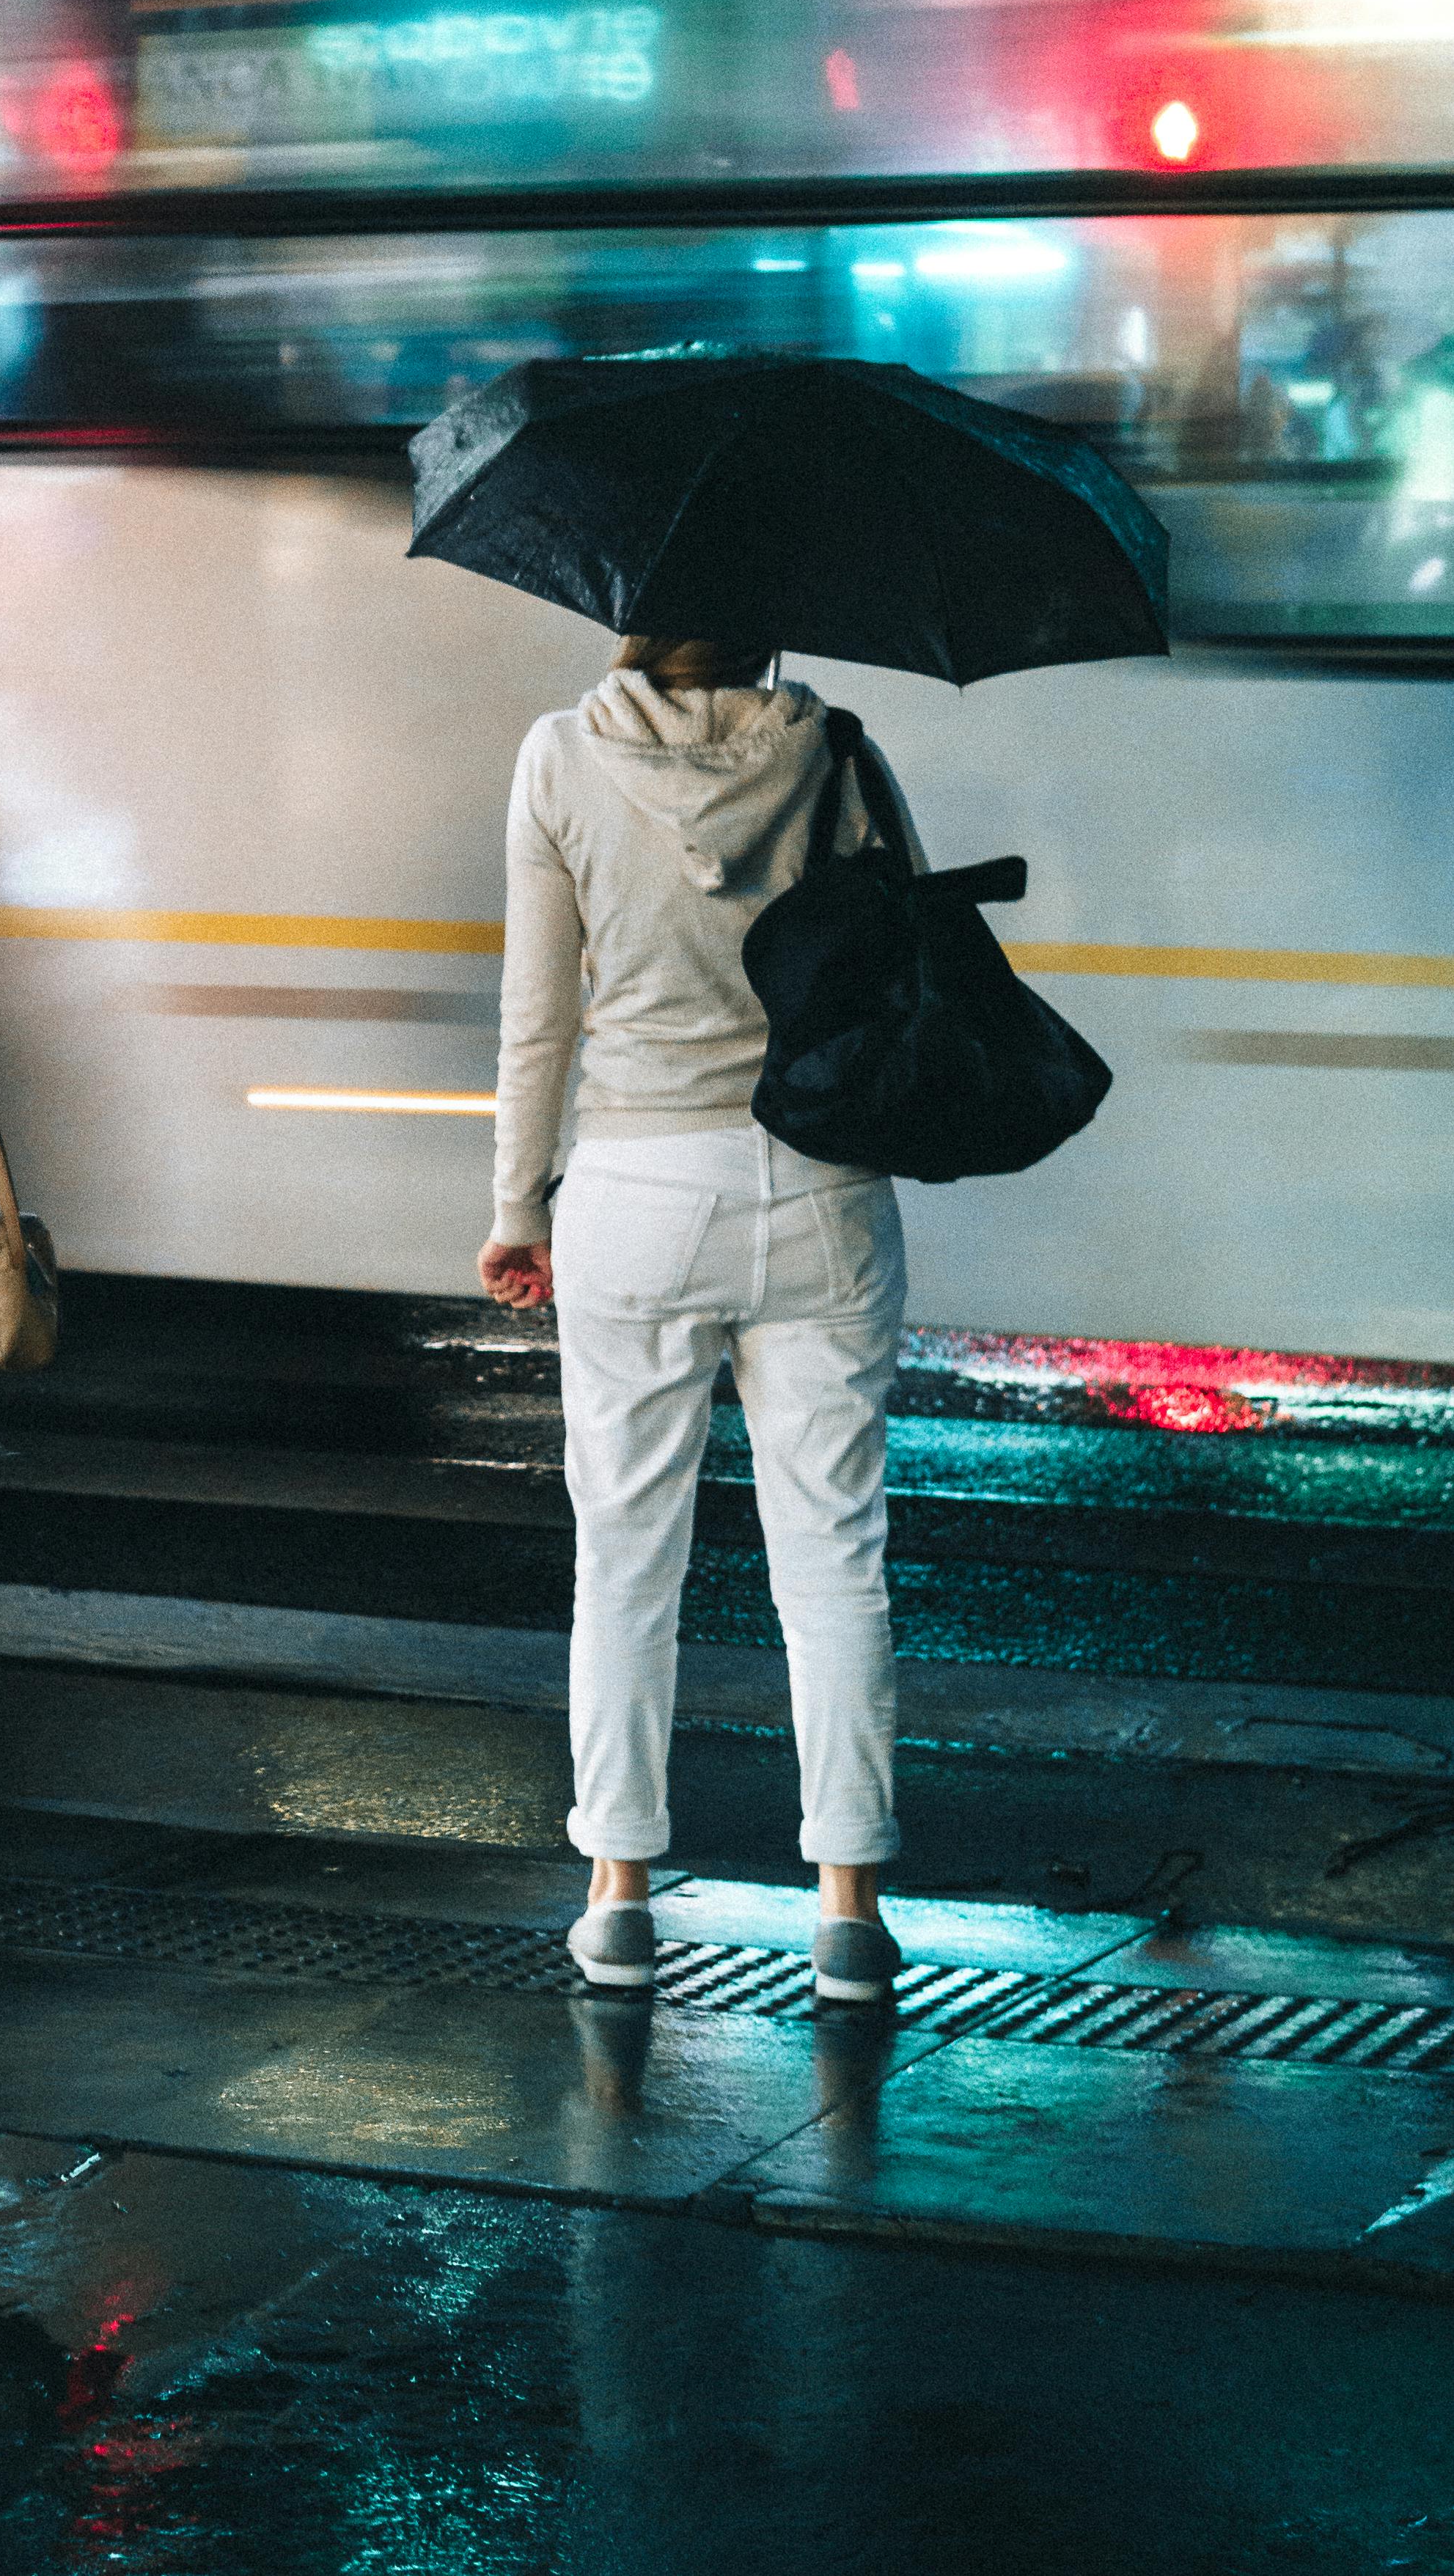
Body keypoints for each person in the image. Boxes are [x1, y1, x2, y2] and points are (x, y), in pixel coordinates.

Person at [479, 629, 918, 2008]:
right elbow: (899, 962)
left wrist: (518, 1205)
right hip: (822, 1183)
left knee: (625, 1557)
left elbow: (538, 1017)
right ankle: (849, 1909)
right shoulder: (835, 752)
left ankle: (619, 1894)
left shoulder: (560, 758)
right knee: (834, 1553)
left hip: (636, 1190)